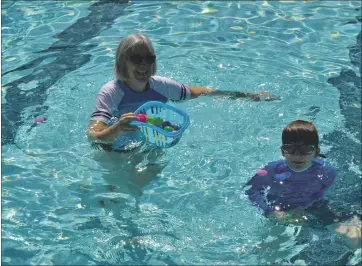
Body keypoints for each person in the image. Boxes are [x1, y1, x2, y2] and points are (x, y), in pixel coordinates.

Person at [87, 33, 279, 151]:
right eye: (137, 58)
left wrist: (247, 95)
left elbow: (201, 92)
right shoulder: (111, 91)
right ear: (122, 62)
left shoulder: (160, 85)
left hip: (153, 146)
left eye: (149, 58)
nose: (144, 64)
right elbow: (93, 135)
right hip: (115, 152)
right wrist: (118, 128)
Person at [245, 120, 361, 249]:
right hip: (281, 209)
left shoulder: (327, 171)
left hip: (314, 206)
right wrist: (269, 212)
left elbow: (326, 192)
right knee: (269, 250)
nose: (298, 155)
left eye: (305, 150)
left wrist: (305, 207)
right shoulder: (271, 170)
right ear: (283, 151)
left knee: (354, 236)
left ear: (316, 152)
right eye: (290, 149)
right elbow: (251, 191)